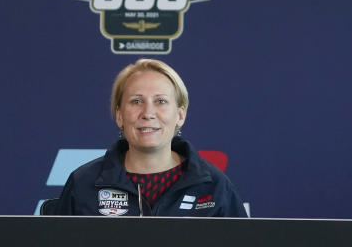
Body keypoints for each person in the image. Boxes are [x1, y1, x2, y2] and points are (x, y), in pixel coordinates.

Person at [54, 59, 247, 217]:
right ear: (119, 115)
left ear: (180, 115)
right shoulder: (83, 183)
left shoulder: (213, 186)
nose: (148, 113)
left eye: (161, 101)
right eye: (136, 101)